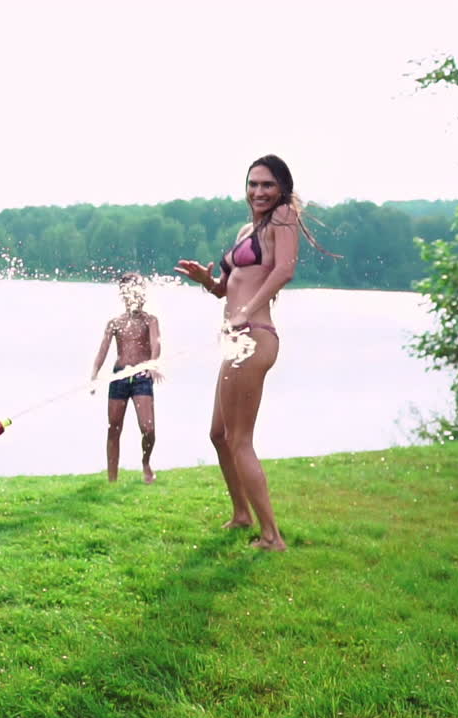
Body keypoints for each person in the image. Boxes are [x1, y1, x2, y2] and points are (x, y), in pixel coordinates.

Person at [174, 154, 338, 551]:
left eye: (267, 184)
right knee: (219, 434)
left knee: (239, 438)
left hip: (255, 336)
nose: (259, 191)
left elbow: (284, 270)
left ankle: (272, 536)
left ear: (282, 187)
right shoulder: (248, 229)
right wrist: (206, 281)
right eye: (253, 184)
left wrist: (247, 311)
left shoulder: (283, 217)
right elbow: (226, 289)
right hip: (236, 338)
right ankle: (242, 514)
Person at [89, 272, 162, 484]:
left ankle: (146, 462)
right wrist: (94, 375)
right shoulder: (115, 323)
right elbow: (102, 352)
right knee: (114, 428)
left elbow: (156, 344)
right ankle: (112, 480)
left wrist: (153, 364)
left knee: (148, 429)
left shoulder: (150, 320)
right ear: (123, 295)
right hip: (119, 377)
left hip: (141, 376)